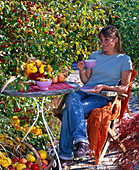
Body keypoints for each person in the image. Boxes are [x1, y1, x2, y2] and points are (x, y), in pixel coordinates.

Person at [57, 25, 133, 168]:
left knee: (67, 112)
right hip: (85, 90)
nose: (103, 43)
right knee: (71, 96)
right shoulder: (94, 55)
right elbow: (86, 81)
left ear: (116, 40)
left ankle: (65, 156)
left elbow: (124, 87)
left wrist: (104, 87)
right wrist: (81, 70)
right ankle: (82, 140)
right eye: (102, 40)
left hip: (102, 95)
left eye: (107, 40)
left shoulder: (124, 59)